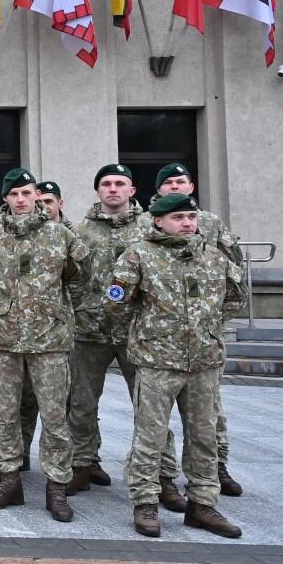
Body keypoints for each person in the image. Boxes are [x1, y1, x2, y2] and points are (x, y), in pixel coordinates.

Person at [109, 193, 245, 538]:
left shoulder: (213, 257)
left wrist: (208, 327)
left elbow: (235, 296)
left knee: (204, 436)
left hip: (203, 361)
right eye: (178, 217)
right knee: (150, 436)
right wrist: (148, 334)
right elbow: (116, 302)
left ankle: (202, 504)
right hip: (158, 362)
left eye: (190, 216)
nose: (186, 222)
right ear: (159, 221)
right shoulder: (139, 255)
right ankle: (145, 503)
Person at [0, 169, 89, 521]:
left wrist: (55, 312)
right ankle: (9, 480)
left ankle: (56, 487)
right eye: (14, 194)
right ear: (4, 199)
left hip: (49, 340)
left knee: (54, 417)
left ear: (37, 195)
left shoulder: (61, 236)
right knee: (4, 414)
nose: (20, 199)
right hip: (4, 339)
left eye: (26, 192)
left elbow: (81, 280)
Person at [153, 162, 245, 497]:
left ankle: (217, 468)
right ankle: (164, 475)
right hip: (162, 342)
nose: (175, 187)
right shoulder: (147, 224)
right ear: (159, 191)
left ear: (191, 187)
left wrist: (213, 322)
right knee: (155, 418)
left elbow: (234, 275)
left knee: (209, 415)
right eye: (169, 183)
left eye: (181, 182)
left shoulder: (208, 223)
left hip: (203, 341)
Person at [68, 164, 159, 496]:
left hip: (139, 333)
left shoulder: (151, 229)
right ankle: (82, 464)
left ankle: (160, 475)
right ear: (98, 191)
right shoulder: (80, 232)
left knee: (150, 405)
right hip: (89, 331)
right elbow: (69, 279)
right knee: (81, 403)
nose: (113, 189)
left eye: (120, 183)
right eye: (106, 184)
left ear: (132, 191)